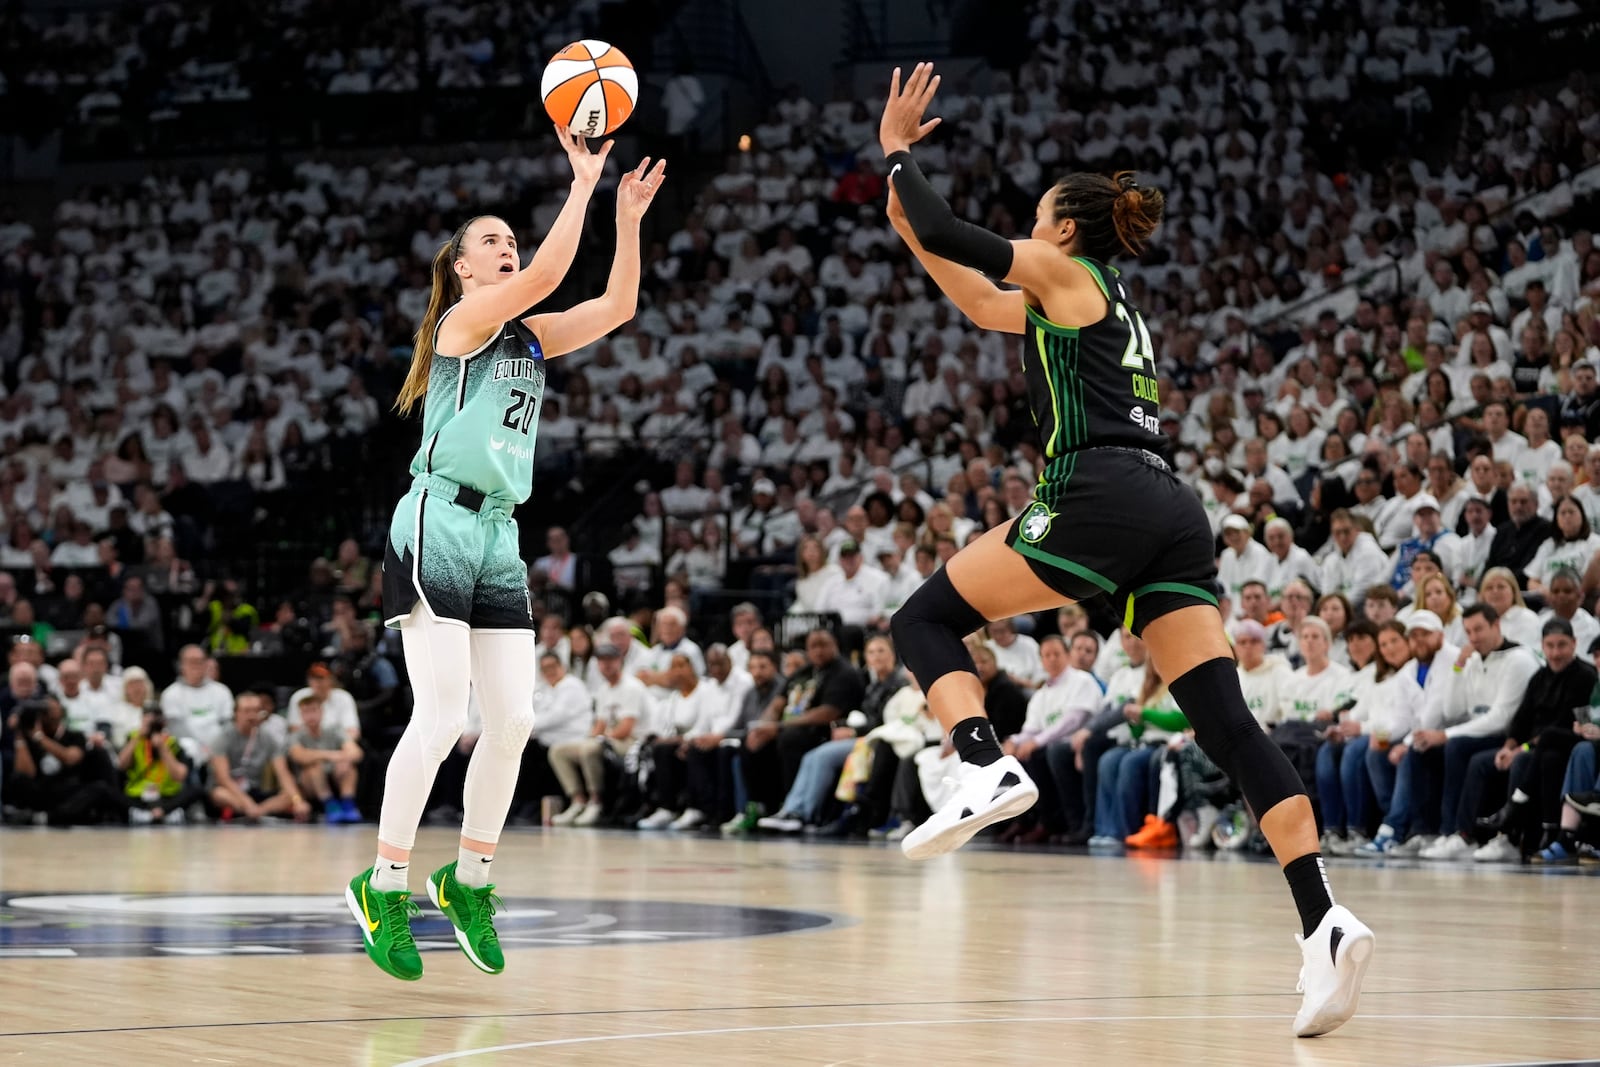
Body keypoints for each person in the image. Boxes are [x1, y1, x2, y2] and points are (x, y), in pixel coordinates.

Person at [877, 62, 1371, 1037]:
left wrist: (895, 155)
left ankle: (982, 760)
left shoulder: (1066, 271)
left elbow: (949, 232)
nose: (1026, 224)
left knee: (922, 616)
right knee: (1228, 726)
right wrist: (902, 215)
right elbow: (974, 295)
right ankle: (1323, 917)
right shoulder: (1095, 306)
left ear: (1060, 227)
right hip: (1168, 507)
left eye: (1034, 214)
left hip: (1096, 489)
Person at [349, 129, 666, 983]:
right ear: (463, 268)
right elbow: (552, 275)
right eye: (491, 239)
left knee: (515, 719)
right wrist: (583, 181)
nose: (506, 246)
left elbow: (615, 308)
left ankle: (469, 877)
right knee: (443, 713)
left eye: (508, 239)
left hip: (498, 530)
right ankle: (384, 882)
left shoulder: (524, 336)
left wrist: (626, 220)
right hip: (437, 521)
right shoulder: (463, 322)